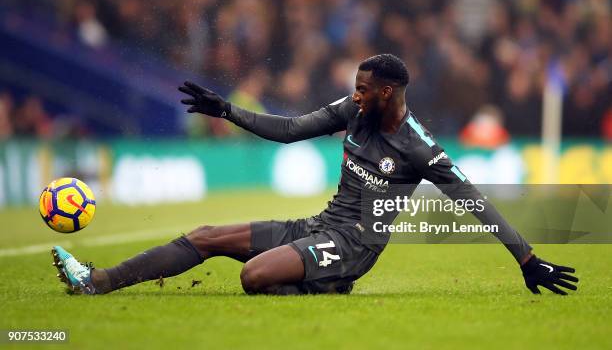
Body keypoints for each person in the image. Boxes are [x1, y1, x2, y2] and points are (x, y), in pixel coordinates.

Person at [52, 54, 579, 295]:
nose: (355, 93)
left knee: (252, 276)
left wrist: (527, 259)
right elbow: (288, 129)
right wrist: (227, 111)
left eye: (364, 88)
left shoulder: (419, 149)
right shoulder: (355, 111)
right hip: (320, 224)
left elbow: (474, 201)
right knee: (206, 236)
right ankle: (96, 282)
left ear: (388, 93)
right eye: (355, 86)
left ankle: (328, 281)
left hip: (354, 245)